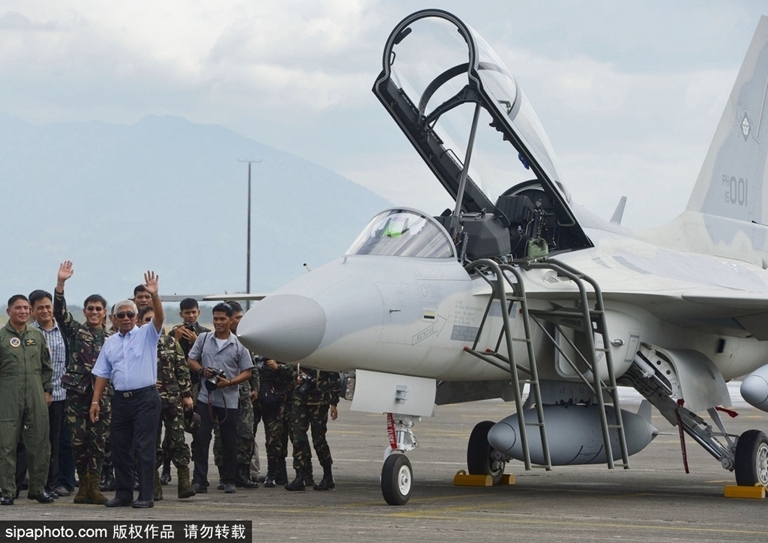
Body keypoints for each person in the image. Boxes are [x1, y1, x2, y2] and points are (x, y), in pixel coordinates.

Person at [90, 271, 164, 508]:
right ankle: (123, 494)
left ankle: (145, 495)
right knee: (120, 446)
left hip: (145, 398)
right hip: (121, 399)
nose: (125, 318)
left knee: (144, 447)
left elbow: (160, 318)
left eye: (130, 314)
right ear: (113, 317)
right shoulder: (109, 342)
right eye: (120, 314)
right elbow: (102, 373)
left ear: (136, 316)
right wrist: (95, 402)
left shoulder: (147, 335)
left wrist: (155, 296)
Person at [54, 261, 112, 504]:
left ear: (105, 312)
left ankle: (94, 487)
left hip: (104, 398)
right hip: (77, 396)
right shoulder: (76, 332)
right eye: (90, 308)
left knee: (98, 442)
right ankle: (83, 486)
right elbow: (59, 313)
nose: (94, 312)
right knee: (78, 442)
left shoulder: (112, 339)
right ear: (85, 311)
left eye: (98, 308)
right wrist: (61, 284)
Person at [187, 303, 253, 494]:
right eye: (215, 318)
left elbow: (247, 372)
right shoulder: (203, 338)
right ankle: (199, 480)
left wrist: (230, 382)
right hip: (205, 398)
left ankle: (229, 479)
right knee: (201, 439)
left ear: (231, 320)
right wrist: (202, 370)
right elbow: (191, 359)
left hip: (229, 399)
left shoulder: (239, 344)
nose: (218, 322)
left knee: (228, 440)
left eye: (223, 319)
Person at [137, 306, 196, 500]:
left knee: (177, 439)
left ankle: (184, 481)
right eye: (147, 319)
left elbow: (181, 367)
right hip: (148, 401)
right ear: (139, 321)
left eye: (155, 320)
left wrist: (187, 394)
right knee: (151, 444)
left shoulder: (171, 342)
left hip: (172, 400)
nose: (152, 323)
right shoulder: (136, 342)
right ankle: (153, 485)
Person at [0, 295, 54, 505]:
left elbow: (46, 366)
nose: (23, 311)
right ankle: (7, 490)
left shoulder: (37, 336)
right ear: (9, 311)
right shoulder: (2, 337)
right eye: (18, 308)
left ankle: (37, 489)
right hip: (8, 395)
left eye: (26, 308)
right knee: (6, 445)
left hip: (35, 393)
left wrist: (47, 390)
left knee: (40, 442)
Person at [212, 300, 258, 489]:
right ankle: (225, 474)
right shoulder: (212, 340)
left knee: (246, 434)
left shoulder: (244, 339)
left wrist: (256, 387)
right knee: (222, 435)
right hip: (222, 394)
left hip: (243, 393)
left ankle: (242, 473)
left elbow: (251, 368)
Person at [29, 290, 68, 498]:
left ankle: (52, 484)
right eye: (40, 308)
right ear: (32, 310)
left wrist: (60, 285)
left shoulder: (63, 330)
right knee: (37, 442)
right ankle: (33, 483)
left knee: (57, 441)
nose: (44, 310)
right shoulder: (28, 333)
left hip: (61, 394)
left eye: (47, 306)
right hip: (37, 396)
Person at [285, 369, 341, 491]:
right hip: (300, 399)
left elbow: (335, 377)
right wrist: (297, 378)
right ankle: (300, 476)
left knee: (319, 440)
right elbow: (292, 369)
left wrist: (333, 404)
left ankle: (328, 476)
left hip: (319, 400)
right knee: (298, 438)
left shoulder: (324, 356)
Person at [256, 358, 293, 487]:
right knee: (247, 436)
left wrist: (278, 367)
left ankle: (273, 474)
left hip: (274, 400)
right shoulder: (252, 349)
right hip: (256, 398)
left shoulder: (280, 349)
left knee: (274, 439)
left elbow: (293, 369)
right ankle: (245, 472)